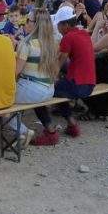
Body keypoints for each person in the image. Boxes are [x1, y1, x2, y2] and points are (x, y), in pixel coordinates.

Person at [29, 7, 96, 145]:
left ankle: (50, 132)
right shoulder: (83, 33)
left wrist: (45, 80)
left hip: (77, 85)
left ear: (65, 25)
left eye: (58, 25)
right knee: (58, 90)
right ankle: (71, 125)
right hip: (90, 84)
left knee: (38, 94)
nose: (57, 28)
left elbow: (57, 65)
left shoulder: (68, 37)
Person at [6, 9, 59, 145]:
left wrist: (11, 48)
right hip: (49, 90)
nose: (25, 23)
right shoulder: (52, 41)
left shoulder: (27, 43)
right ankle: (21, 133)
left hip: (32, 89)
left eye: (28, 20)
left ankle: (23, 132)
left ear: (35, 24)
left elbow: (15, 72)